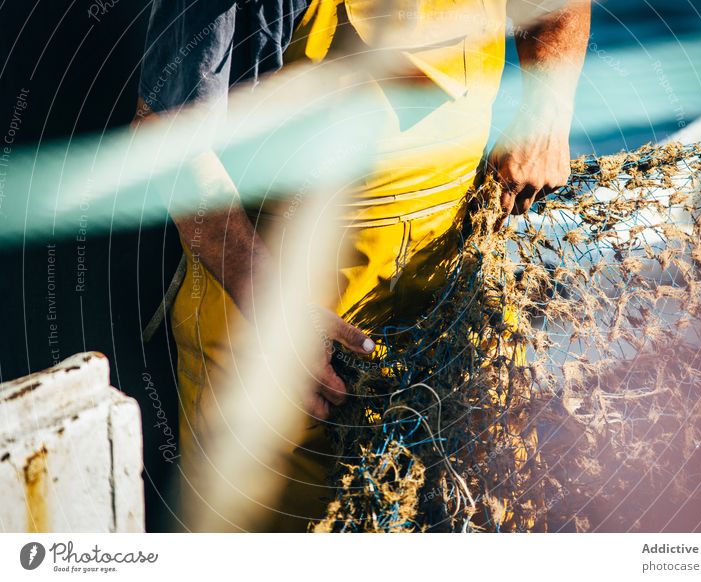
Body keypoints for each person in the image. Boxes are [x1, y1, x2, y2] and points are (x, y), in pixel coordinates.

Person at [134, 0, 590, 531]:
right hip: (276, 303)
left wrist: (547, 109)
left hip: (455, 276)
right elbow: (165, 132)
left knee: (490, 509)